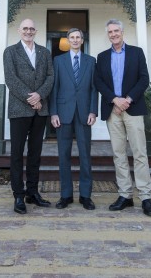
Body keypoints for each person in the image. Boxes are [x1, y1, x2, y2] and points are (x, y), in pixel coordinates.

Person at [94, 18, 151, 217]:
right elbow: (99, 82)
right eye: (110, 32)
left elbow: (144, 78)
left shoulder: (136, 53)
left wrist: (127, 99)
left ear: (122, 32)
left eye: (116, 31)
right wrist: (114, 100)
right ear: (108, 35)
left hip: (133, 108)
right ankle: (125, 196)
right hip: (113, 111)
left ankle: (145, 196)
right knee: (118, 154)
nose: (113, 34)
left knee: (139, 153)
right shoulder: (102, 57)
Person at [3, 18, 55, 214]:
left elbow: (51, 76)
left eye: (32, 28)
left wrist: (40, 95)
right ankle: (18, 195)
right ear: (19, 31)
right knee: (17, 154)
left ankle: (32, 192)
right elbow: (10, 78)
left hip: (40, 109)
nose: (28, 31)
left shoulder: (44, 52)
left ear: (36, 31)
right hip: (19, 110)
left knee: (35, 153)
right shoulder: (10, 52)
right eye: (25, 28)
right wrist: (31, 98)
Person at [50, 28, 98, 210]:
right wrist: (53, 113)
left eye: (78, 37)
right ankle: (66, 195)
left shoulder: (91, 61)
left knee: (85, 156)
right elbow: (54, 88)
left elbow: (94, 88)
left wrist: (93, 111)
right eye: (72, 37)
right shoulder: (58, 61)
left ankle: (86, 196)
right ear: (68, 40)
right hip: (63, 114)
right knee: (64, 156)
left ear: (83, 40)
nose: (75, 40)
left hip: (85, 114)